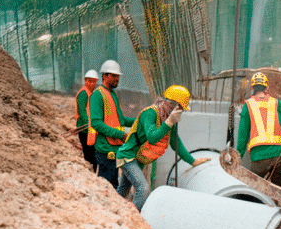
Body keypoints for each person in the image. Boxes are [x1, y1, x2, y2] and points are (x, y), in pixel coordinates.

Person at [116, 85, 212, 211]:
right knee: (143, 189)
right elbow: (152, 138)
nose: (182, 111)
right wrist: (169, 122)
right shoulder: (150, 113)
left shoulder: (167, 118)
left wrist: (192, 161)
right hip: (128, 156)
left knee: (123, 190)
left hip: (137, 159)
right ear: (173, 105)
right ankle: (132, 218)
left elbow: (175, 142)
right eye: (181, 107)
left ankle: (110, 212)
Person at [236, 71, 281, 187]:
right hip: (279, 156)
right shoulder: (278, 103)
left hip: (259, 157)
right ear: (267, 88)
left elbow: (243, 136)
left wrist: (238, 158)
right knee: (278, 191)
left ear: (252, 88)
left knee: (254, 190)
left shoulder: (248, 105)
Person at [89, 60, 134, 192]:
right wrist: (121, 134)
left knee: (113, 184)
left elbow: (121, 120)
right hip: (105, 149)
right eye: (114, 76)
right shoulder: (98, 95)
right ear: (105, 76)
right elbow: (96, 123)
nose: (117, 79)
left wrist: (139, 120)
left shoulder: (112, 94)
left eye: (118, 76)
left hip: (114, 148)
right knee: (107, 188)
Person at [75, 69, 99, 172]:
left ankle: (93, 173)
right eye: (90, 81)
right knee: (90, 157)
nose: (93, 84)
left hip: (90, 128)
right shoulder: (84, 93)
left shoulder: (91, 93)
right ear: (86, 81)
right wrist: (90, 124)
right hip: (85, 129)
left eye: (94, 81)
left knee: (93, 154)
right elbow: (82, 112)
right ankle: (91, 173)